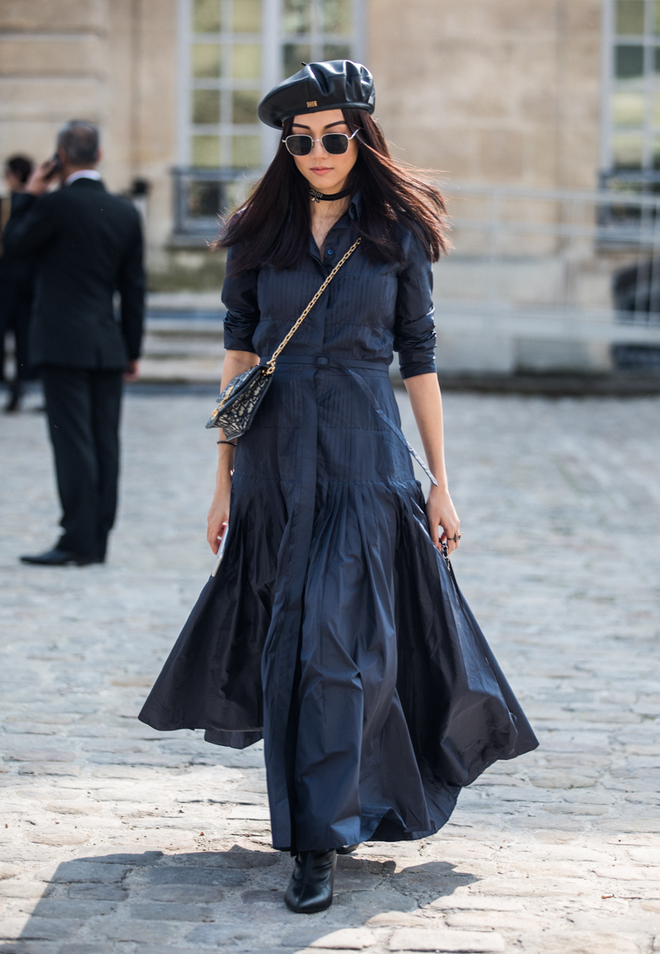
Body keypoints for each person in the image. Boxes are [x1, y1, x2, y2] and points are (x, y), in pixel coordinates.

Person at [139, 61, 538, 913]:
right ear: (286, 146)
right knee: (294, 653)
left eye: (333, 135)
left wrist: (440, 482)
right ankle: (320, 822)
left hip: (365, 465)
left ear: (361, 137)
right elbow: (239, 360)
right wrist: (223, 482)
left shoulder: (396, 236)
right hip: (277, 470)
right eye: (300, 139)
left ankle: (318, 840)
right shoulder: (257, 236)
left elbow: (419, 359)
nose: (317, 151)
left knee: (336, 651)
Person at [3, 121, 145, 566]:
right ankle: (97, 538)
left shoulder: (54, 206)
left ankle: (76, 540)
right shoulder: (125, 212)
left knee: (72, 442)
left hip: (62, 344)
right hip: (107, 344)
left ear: (60, 157)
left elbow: (13, 246)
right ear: (99, 156)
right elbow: (134, 288)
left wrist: (28, 194)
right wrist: (133, 349)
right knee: (106, 441)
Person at [0, 155, 36, 412]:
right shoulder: (34, 204)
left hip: (15, 281)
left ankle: (17, 386)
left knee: (21, 338)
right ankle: (16, 385)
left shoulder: (22, 204)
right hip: (18, 281)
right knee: (20, 338)